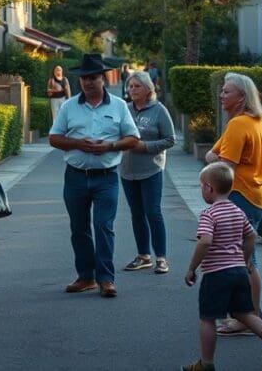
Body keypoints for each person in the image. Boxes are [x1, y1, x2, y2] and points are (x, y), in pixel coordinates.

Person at [182, 162, 262, 371]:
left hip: (216, 275)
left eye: (201, 186)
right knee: (244, 313)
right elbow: (251, 235)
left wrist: (192, 267)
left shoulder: (209, 214)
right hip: (239, 272)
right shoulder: (237, 211)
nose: (201, 190)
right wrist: (245, 259)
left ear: (210, 188)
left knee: (208, 318)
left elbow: (205, 241)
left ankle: (206, 363)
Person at [49, 53, 140, 298]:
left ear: (103, 78)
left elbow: (133, 138)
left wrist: (109, 146)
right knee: (79, 228)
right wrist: (77, 143)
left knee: (103, 226)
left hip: (106, 176)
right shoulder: (69, 106)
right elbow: (54, 138)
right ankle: (86, 276)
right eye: (84, 78)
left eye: (93, 77)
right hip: (76, 176)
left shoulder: (119, 105)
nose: (88, 82)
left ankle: (106, 279)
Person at [205, 72, 262, 337]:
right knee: (245, 259)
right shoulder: (253, 122)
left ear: (241, 97)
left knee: (244, 262)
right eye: (222, 90)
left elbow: (222, 167)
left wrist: (213, 159)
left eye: (227, 91)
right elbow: (213, 151)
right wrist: (213, 156)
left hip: (240, 196)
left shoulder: (239, 125)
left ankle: (248, 317)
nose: (221, 95)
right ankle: (248, 314)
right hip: (255, 195)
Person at [120, 71, 175, 274]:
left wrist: (145, 146)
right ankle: (144, 256)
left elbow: (170, 139)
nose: (132, 90)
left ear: (147, 89)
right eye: (130, 86)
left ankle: (161, 257)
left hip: (151, 169)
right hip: (127, 170)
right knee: (137, 214)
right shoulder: (124, 110)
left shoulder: (159, 110)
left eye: (137, 86)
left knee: (153, 212)